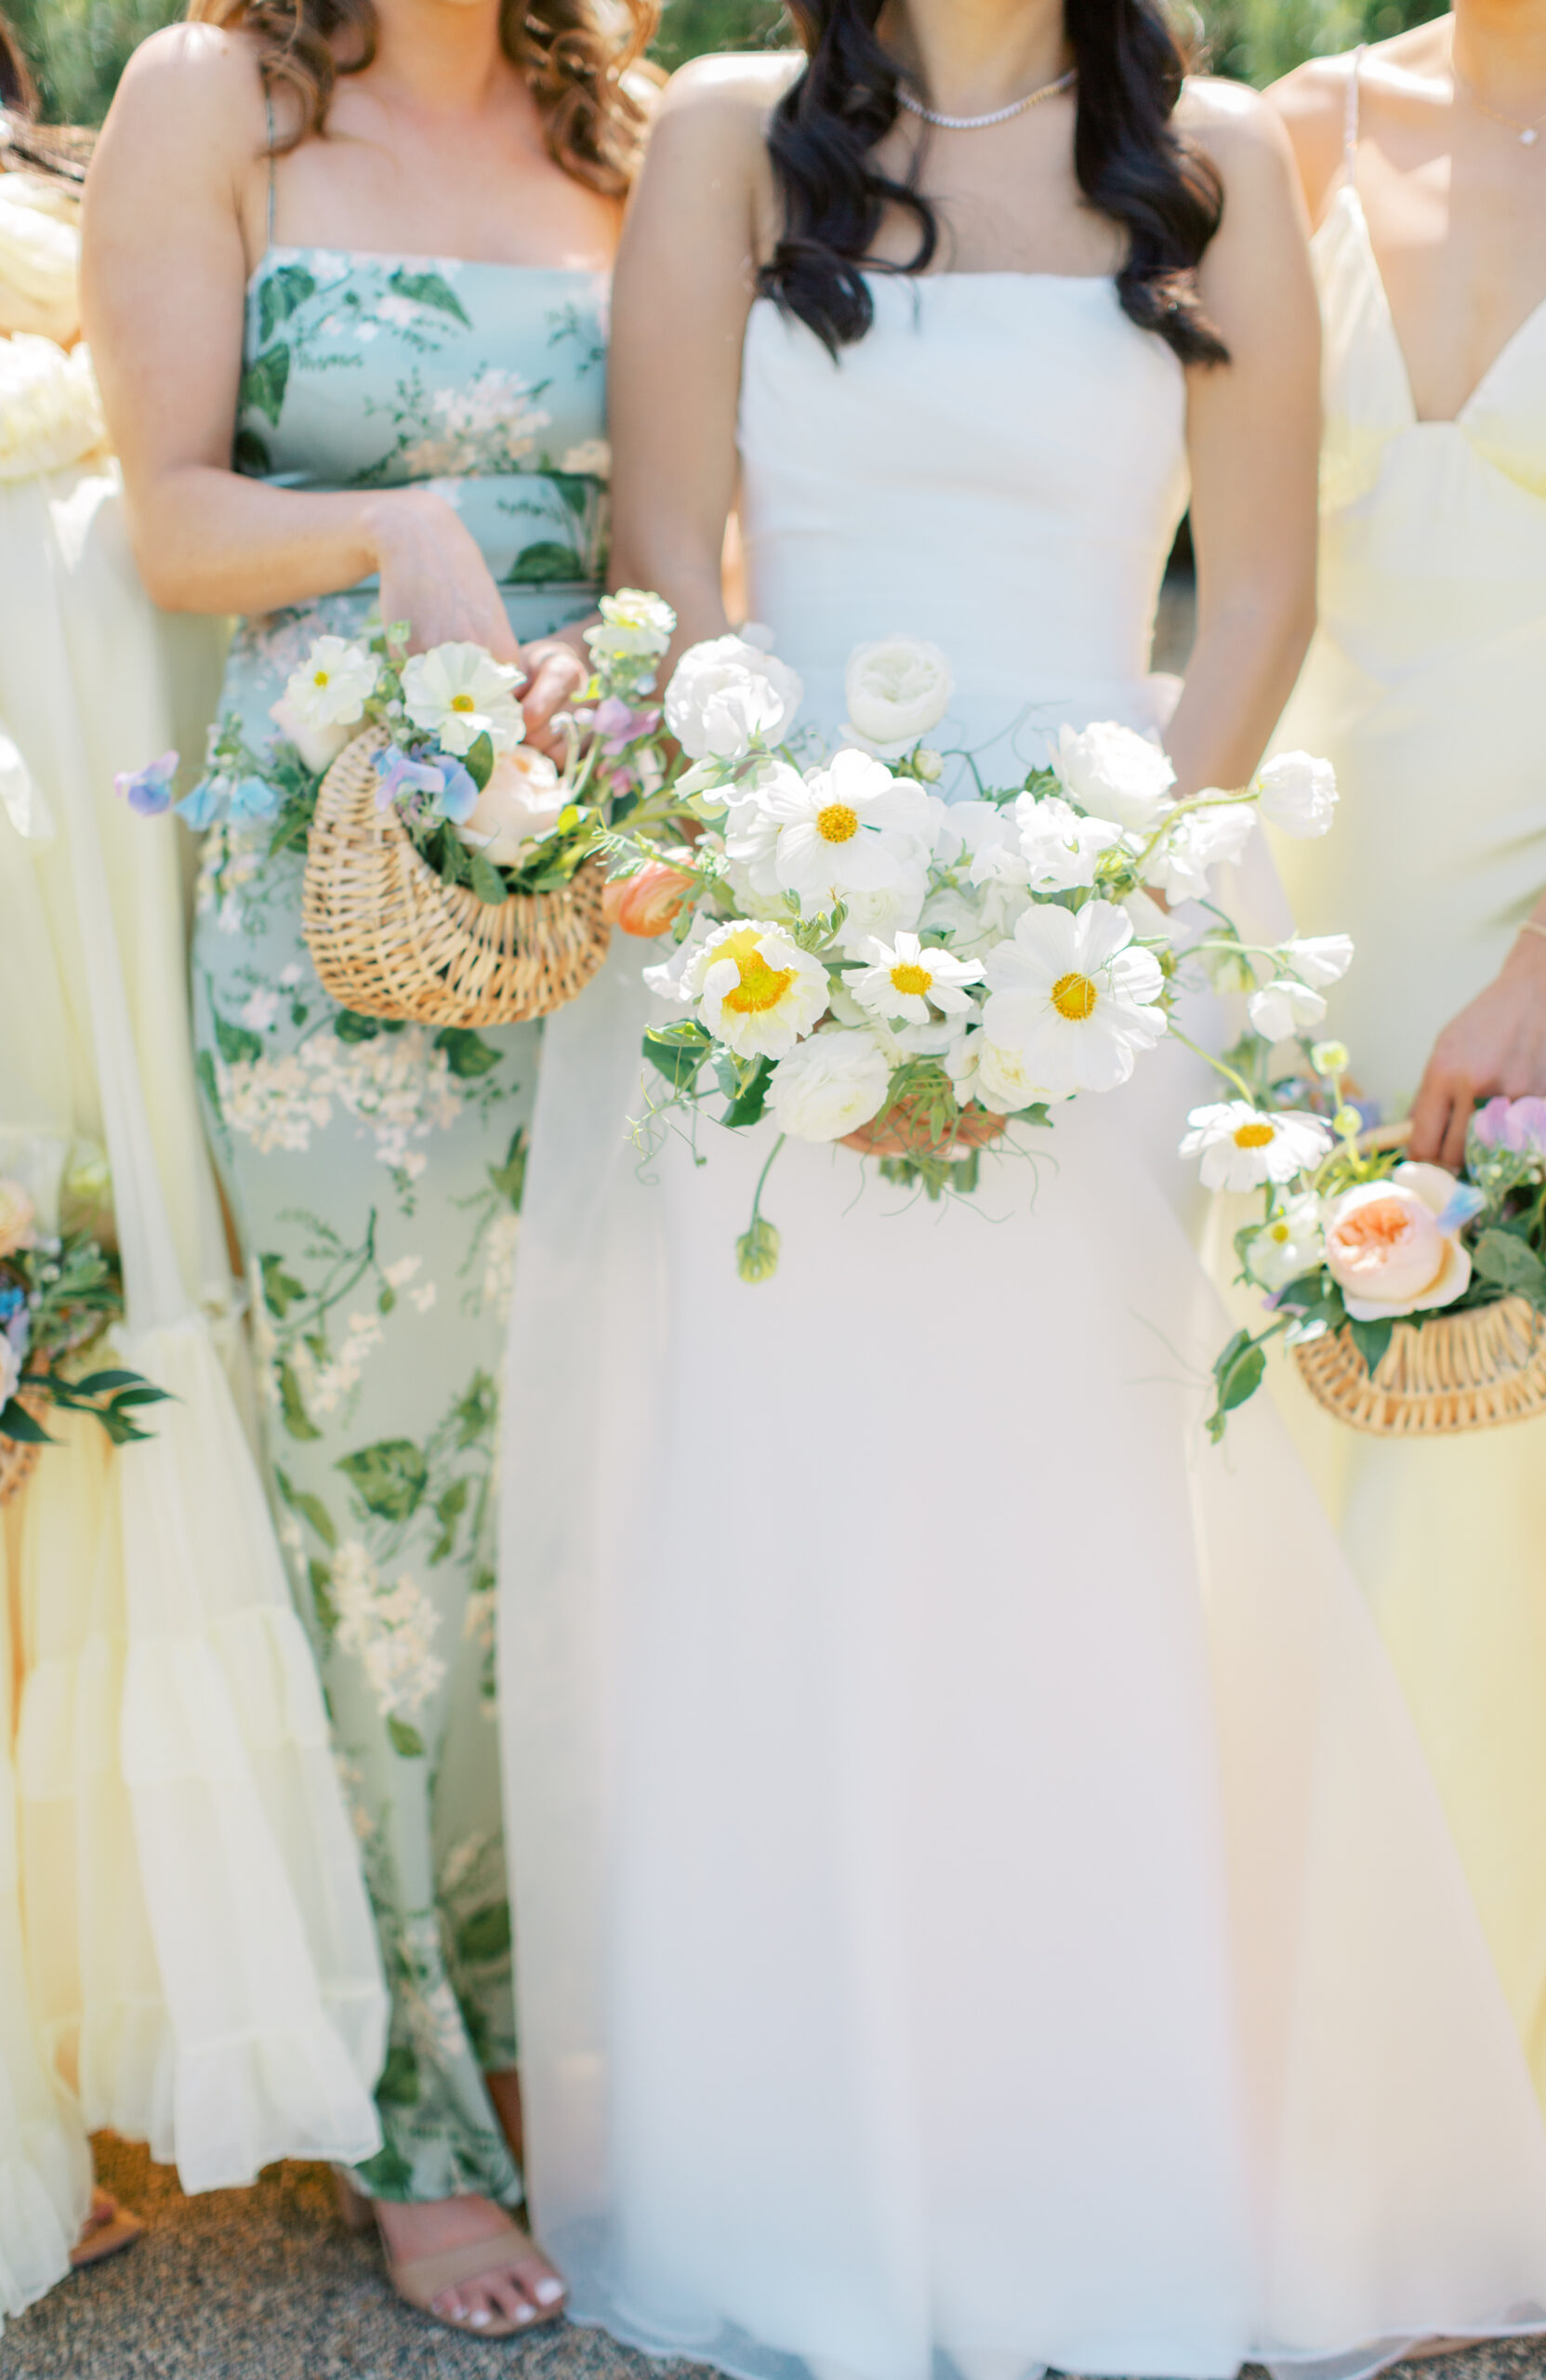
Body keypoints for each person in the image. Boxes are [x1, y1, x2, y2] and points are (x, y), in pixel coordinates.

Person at [496, 4, 1546, 2373]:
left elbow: (1263, 593)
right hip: (774, 941)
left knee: (1077, 1545)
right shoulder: (715, 137)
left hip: (1106, 966)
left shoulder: (1208, 161)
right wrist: (802, 938)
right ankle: (805, 2194)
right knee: (789, 1529)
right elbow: (667, 558)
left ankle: (1097, 2183)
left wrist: (1081, 924)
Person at [81, 0, 651, 2336]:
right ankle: (411, 2096)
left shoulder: (628, 116)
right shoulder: (208, 93)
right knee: (374, 1492)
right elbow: (167, 512)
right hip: (331, 915)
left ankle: (558, 2022)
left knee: (582, 1473)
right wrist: (396, 533)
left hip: (598, 877)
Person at [1, 2, 387, 2334]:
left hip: (129, 883)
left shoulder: (105, 143)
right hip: (43, 881)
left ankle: (86, 2023)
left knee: (91, 1423)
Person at [1269, 0, 1546, 2237]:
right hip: (1316, 935)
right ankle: (1360, 2148)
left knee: (1524, 1544)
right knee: (1327, 1527)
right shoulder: (1285, 130)